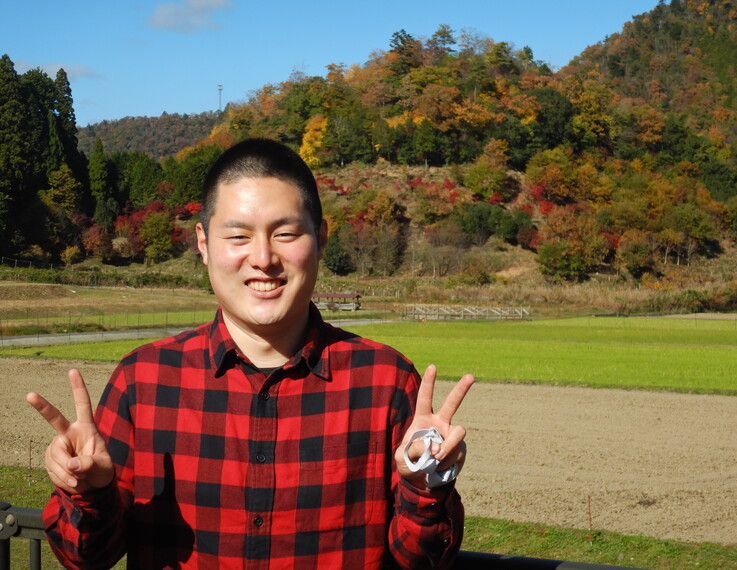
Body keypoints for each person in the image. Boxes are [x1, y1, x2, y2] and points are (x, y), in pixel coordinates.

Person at [27, 138, 474, 569]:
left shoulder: (385, 382)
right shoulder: (142, 381)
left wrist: (425, 487)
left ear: (320, 237)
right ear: (203, 243)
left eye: (285, 233)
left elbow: (423, 561)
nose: (263, 258)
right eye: (238, 236)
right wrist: (88, 491)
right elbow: (85, 557)